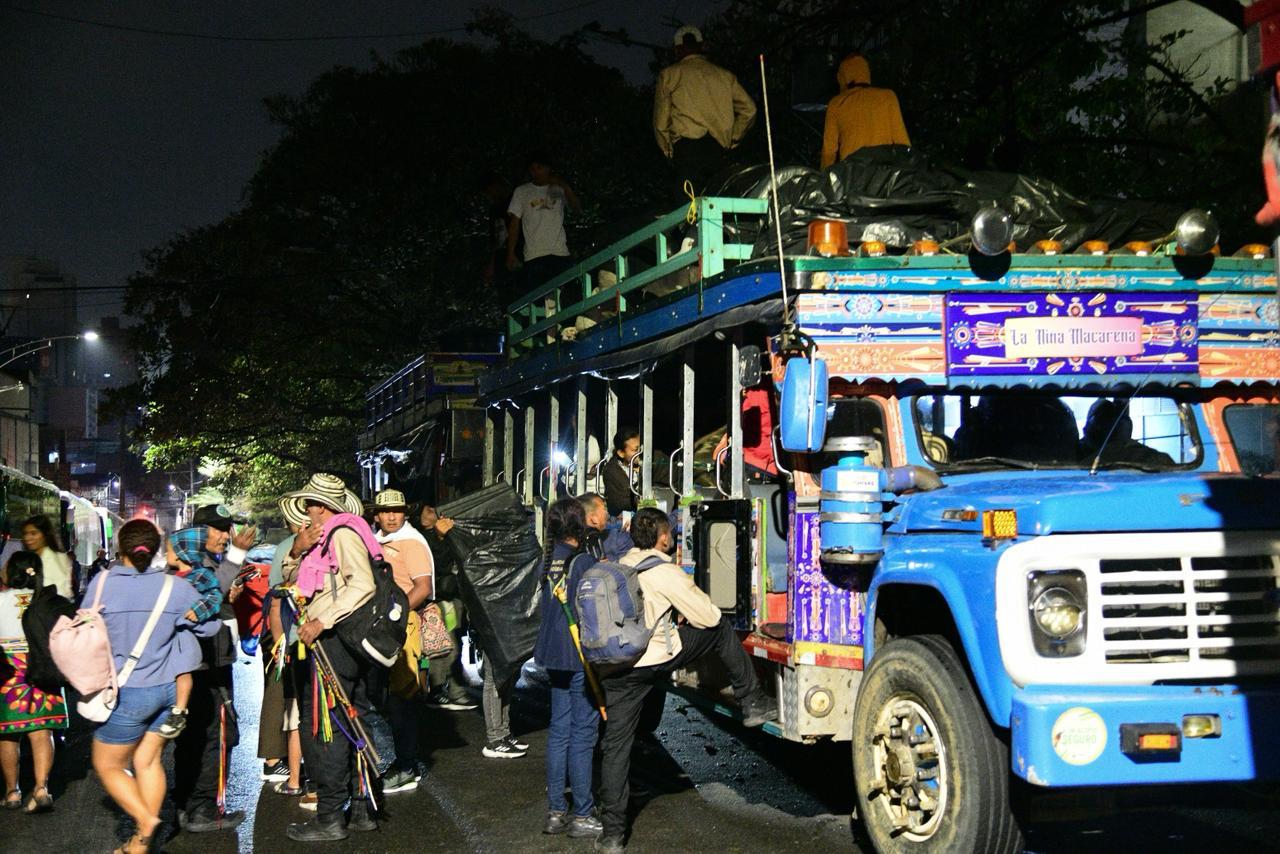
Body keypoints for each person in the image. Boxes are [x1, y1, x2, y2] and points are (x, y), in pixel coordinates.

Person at [596, 508, 777, 853]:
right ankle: (752, 699)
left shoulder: (619, 564)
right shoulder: (665, 570)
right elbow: (707, 616)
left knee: (616, 749)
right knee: (720, 629)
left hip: (616, 667)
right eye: (671, 532)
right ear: (664, 537)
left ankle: (612, 835)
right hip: (652, 658)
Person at [87, 520, 217, 854]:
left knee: (108, 764)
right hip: (169, 691)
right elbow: (209, 627)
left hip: (128, 691)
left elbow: (86, 628)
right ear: (156, 551)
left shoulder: (102, 584)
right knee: (148, 760)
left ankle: (145, 821)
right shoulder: (173, 587)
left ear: (121, 549)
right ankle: (140, 845)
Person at [278, 473, 382, 842]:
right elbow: (293, 583)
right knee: (352, 722)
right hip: (333, 643)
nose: (306, 511)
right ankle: (359, 810)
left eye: (310, 506)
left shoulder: (342, 535)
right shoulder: (321, 540)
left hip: (335, 644)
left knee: (326, 726)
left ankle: (330, 817)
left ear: (321, 508)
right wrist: (296, 550)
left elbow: (363, 584)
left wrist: (322, 620)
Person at [171, 504, 255, 834]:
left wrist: (228, 597)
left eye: (226, 528)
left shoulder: (202, 563)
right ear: (199, 533)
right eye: (218, 530)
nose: (225, 535)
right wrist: (236, 557)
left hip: (203, 662)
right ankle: (201, 809)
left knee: (196, 736)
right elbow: (204, 598)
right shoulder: (192, 565)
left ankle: (186, 805)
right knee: (214, 734)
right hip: (205, 665)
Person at [534, 499, 604, 838]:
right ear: (579, 525)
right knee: (582, 735)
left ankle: (555, 812)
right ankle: (582, 814)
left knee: (559, 732)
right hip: (578, 657)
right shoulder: (584, 561)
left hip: (552, 655)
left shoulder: (549, 559)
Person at [371, 488, 434, 794]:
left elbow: (423, 587)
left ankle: (407, 765)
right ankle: (403, 761)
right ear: (377, 515)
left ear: (405, 514)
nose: (392, 516)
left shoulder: (411, 543)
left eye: (397, 511)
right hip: (384, 626)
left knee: (403, 697)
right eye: (386, 511)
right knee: (388, 698)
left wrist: (396, 615)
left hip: (404, 625)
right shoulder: (377, 541)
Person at [0, 551, 68, 814]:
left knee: (8, 735)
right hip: (43, 670)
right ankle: (41, 788)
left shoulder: (1, 600)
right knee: (42, 733)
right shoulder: (48, 602)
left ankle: (12, 792)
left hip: (8, 675)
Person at [653, 25, 756, 196]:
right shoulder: (725, 76)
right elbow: (750, 109)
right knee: (717, 204)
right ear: (702, 47)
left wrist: (668, 150)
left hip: (687, 150)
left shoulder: (669, 75)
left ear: (677, 50)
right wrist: (733, 138)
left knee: (689, 210)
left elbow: (660, 122)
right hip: (718, 150)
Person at [157, 527, 225, 740]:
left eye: (168, 550)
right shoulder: (169, 577)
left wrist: (199, 611)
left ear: (180, 553)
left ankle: (179, 710)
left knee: (184, 672)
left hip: (186, 638)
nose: (166, 554)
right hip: (171, 638)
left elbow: (214, 596)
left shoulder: (202, 576)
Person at [261, 500, 306, 799]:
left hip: (295, 639)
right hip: (291, 641)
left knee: (291, 707)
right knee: (289, 706)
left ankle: (288, 766)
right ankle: (281, 764)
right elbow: (277, 602)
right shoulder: (286, 549)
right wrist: (281, 645)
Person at [419, 505, 476, 711]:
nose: (426, 515)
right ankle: (448, 691)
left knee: (447, 643)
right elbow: (438, 566)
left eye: (431, 511)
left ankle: (446, 690)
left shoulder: (435, 536)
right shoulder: (424, 538)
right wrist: (441, 538)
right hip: (442, 601)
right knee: (446, 644)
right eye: (426, 510)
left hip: (448, 600)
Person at [505, 150, 582, 298]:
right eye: (532, 169)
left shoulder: (558, 188)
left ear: (548, 168)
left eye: (539, 168)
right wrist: (510, 253)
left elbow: (577, 209)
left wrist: (564, 185)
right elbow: (514, 224)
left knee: (568, 297)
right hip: (535, 256)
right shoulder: (522, 191)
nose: (535, 172)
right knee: (543, 300)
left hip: (560, 252)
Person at [819, 53, 911, 169]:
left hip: (852, 175)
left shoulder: (836, 104)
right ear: (867, 73)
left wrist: (824, 178)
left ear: (842, 77)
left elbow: (829, 151)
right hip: (883, 174)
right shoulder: (888, 97)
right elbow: (902, 143)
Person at [20, 516, 72, 600]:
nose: (27, 538)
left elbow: (60, 592)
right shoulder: (34, 558)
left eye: (33, 533)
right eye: (25, 533)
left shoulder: (53, 559)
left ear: (45, 534)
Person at [577, 492, 633, 561]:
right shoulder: (619, 540)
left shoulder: (570, 542)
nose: (607, 513)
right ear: (593, 518)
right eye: (604, 509)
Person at [601, 429, 641, 518]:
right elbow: (617, 502)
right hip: (625, 516)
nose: (640, 453)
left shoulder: (649, 464)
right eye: (635, 450)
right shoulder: (611, 470)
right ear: (621, 453)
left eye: (641, 448)